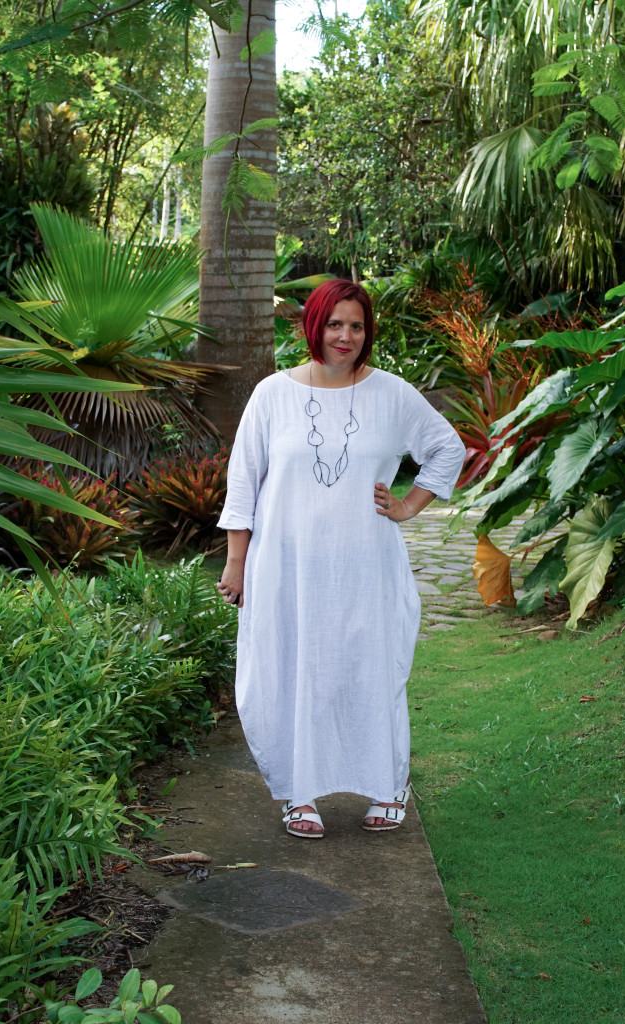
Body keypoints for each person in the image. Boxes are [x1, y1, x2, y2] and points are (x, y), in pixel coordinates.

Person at [217, 279, 465, 838]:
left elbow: (447, 446)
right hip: (287, 567)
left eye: (356, 325)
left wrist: (408, 506)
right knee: (289, 669)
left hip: (366, 566)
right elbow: (243, 482)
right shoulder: (272, 395)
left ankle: (386, 783)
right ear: (315, 326)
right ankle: (297, 791)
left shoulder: (392, 394)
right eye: (335, 324)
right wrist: (237, 562)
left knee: (372, 667)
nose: (345, 336)